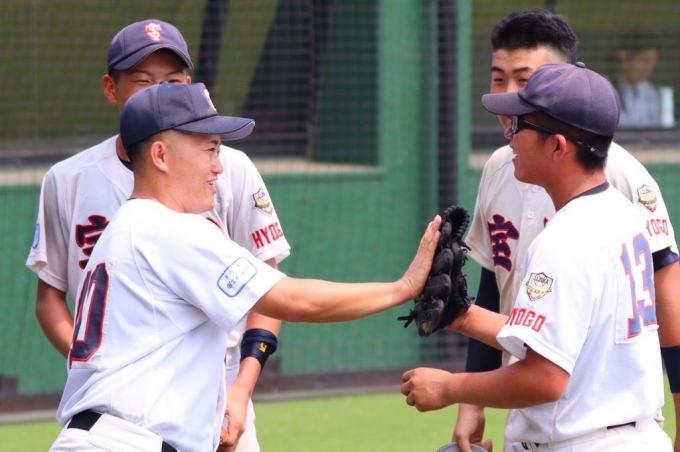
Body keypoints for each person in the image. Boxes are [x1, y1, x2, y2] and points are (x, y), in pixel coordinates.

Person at [49, 81, 443, 452]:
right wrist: (403, 288)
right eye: (209, 149)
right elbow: (295, 301)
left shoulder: (127, 227)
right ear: (160, 156)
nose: (219, 167)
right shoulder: (166, 229)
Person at [25, 19, 291, 451]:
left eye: (173, 80)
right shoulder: (69, 179)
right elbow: (49, 297)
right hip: (124, 393)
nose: (158, 92)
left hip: (220, 376)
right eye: (142, 80)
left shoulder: (227, 167)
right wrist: (97, 364)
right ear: (111, 89)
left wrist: (241, 389)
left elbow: (270, 287)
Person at [401, 61, 674, 451]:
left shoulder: (565, 239)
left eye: (520, 125)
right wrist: (463, 317)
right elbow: (559, 340)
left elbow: (545, 379)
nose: (509, 134)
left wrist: (450, 387)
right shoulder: (623, 215)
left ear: (558, 147)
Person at [610, 30, 664, 128]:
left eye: (653, 63)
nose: (650, 68)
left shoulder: (652, 92)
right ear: (625, 58)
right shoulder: (606, 90)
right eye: (645, 61)